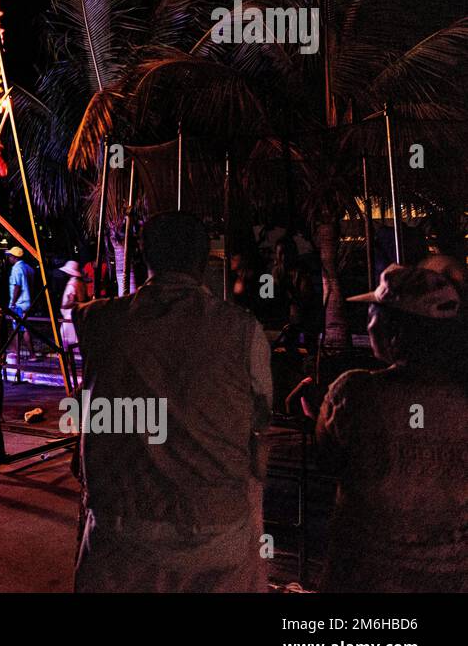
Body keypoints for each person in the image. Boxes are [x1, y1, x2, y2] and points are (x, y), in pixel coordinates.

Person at [72, 211, 272, 592]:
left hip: (122, 531)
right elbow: (260, 422)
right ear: (202, 261)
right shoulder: (244, 331)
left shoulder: (98, 321)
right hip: (215, 535)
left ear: (144, 256)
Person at [315, 265, 468, 591]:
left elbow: (328, 463)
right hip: (450, 577)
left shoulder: (355, 393)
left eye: (373, 313)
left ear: (394, 331)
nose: (367, 322)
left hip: (365, 576)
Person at [57, 260, 86, 355]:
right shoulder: (80, 283)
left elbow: (72, 300)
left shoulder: (72, 284)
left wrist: (63, 306)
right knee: (76, 338)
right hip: (77, 314)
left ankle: (69, 362)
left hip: (70, 315)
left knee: (66, 339)